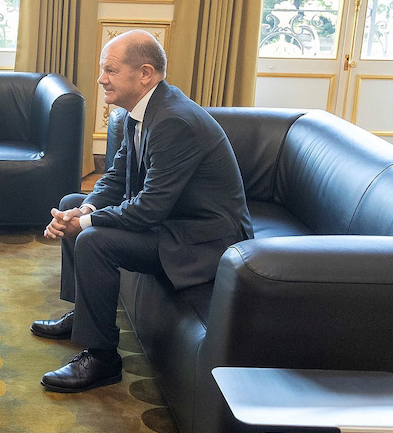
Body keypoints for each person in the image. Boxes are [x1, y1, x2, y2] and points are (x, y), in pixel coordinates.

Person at [32, 30, 251, 392]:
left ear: (145, 73)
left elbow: (148, 210)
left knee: (93, 240)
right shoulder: (139, 112)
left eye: (111, 70)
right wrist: (84, 208)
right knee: (74, 202)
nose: (101, 79)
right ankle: (86, 315)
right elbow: (116, 177)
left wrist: (84, 223)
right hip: (174, 223)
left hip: (204, 241)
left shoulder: (173, 121)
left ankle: (102, 358)